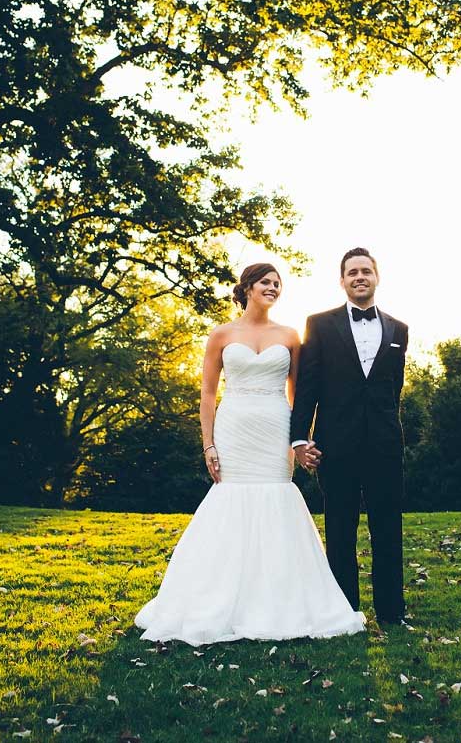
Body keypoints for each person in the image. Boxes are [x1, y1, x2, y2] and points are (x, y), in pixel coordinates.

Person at [135, 262, 365, 645]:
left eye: (278, 284)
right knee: (232, 500)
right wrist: (208, 443)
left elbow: (300, 396)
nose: (273, 288)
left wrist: (300, 439)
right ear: (247, 288)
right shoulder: (222, 335)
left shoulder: (290, 336)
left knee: (276, 498)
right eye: (266, 282)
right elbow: (208, 394)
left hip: (275, 427)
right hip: (234, 426)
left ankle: (278, 601)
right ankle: (219, 599)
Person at [290, 248, 408, 626]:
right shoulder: (320, 325)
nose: (360, 277)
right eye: (352, 272)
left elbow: (394, 390)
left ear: (377, 277)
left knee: (388, 529)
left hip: (385, 446)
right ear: (341, 281)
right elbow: (307, 387)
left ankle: (392, 613)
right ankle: (344, 614)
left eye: (366, 271)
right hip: (335, 445)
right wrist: (299, 439)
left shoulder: (398, 330)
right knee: (340, 531)